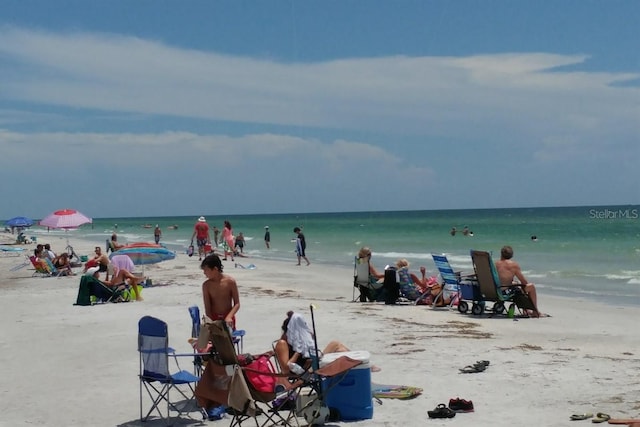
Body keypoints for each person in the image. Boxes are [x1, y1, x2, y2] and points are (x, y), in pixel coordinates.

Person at [274, 311, 350, 375]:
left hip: (311, 364)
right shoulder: (282, 343)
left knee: (337, 345)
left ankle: (354, 366)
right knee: (338, 347)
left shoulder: (295, 340)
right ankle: (353, 369)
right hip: (305, 371)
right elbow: (286, 370)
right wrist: (298, 352)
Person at [494, 245, 541, 317]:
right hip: (504, 291)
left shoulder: (495, 264)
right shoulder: (513, 265)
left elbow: (500, 278)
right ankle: (535, 311)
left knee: (516, 286)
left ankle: (526, 310)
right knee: (531, 287)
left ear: (501, 254)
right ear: (511, 255)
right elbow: (524, 282)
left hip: (494, 290)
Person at [200, 254, 240, 330]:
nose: (204, 273)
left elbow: (237, 304)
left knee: (227, 339)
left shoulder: (230, 282)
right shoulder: (206, 285)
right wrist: (211, 322)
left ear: (215, 269)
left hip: (228, 317)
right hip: (214, 318)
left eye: (206, 270)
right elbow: (207, 307)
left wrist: (229, 317)